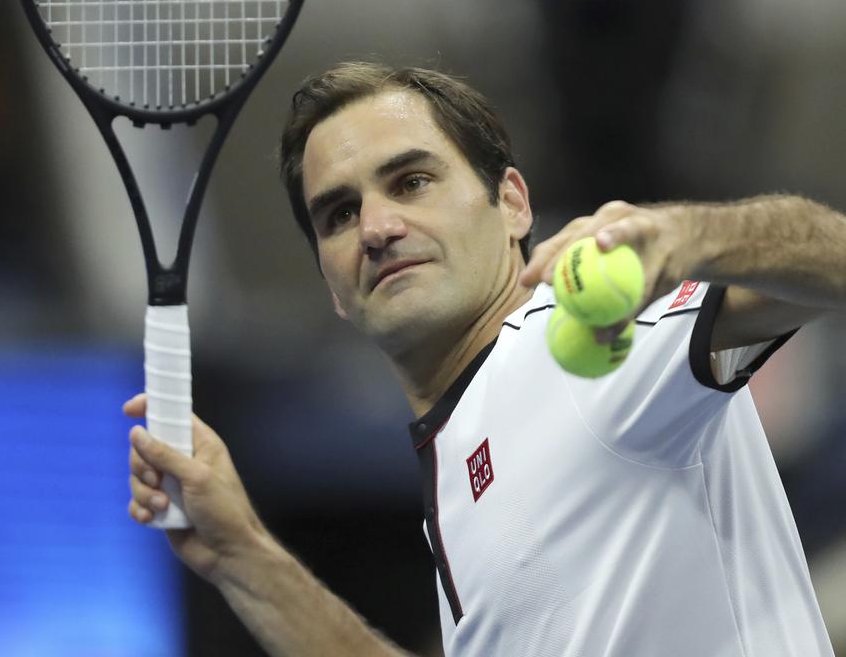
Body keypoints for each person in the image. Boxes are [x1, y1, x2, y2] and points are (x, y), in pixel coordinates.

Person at [124, 62, 842, 656]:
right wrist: (240, 552)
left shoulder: (579, 338)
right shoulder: (459, 461)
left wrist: (686, 237)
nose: (376, 227)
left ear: (513, 205)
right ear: (332, 287)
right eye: (339, 215)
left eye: (411, 181)